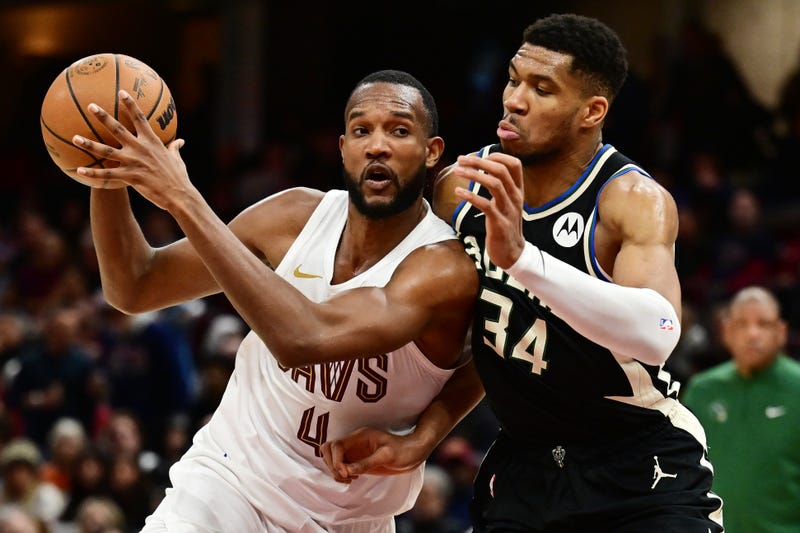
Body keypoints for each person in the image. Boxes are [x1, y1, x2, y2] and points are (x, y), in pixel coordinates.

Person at [323, 14, 724, 531]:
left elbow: (658, 335)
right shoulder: (461, 189)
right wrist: (423, 436)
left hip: (638, 461)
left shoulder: (631, 200)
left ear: (591, 111)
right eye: (514, 79)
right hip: (525, 463)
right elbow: (475, 346)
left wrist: (522, 260)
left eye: (541, 89)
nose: (514, 99)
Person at [69, 70, 480, 532]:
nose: (377, 145)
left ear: (432, 152)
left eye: (399, 130)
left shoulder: (444, 265)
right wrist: (105, 172)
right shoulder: (291, 217)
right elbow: (135, 286)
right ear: (343, 147)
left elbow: (304, 337)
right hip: (229, 482)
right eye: (362, 130)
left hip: (353, 517)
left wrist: (183, 197)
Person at [682, 286, 800, 532]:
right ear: (726, 331)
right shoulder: (701, 390)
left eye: (763, 324)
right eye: (742, 324)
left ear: (781, 332)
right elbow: (683, 473)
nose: (752, 334)